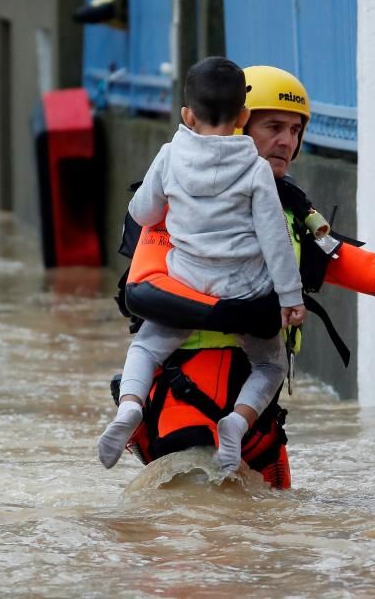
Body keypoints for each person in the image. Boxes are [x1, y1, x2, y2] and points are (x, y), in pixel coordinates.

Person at [110, 65, 375, 486]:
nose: (287, 141)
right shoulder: (176, 203)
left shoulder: (296, 220)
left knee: (279, 539)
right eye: (274, 126)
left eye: (296, 130)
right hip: (184, 403)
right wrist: (236, 313)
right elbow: (145, 290)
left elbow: (371, 273)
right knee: (195, 540)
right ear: (240, 123)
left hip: (252, 421)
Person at [97, 57, 307, 472]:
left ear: (186, 115)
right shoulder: (254, 167)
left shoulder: (169, 156)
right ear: (243, 116)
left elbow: (142, 212)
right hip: (244, 292)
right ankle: (236, 423)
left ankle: (130, 407)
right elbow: (275, 240)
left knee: (146, 347)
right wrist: (290, 298)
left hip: (188, 288)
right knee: (270, 364)